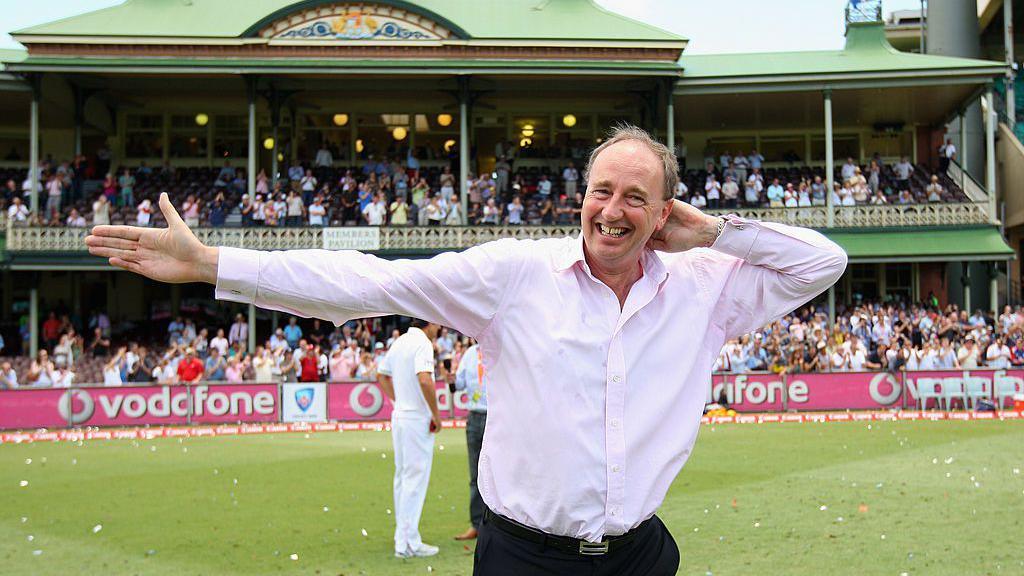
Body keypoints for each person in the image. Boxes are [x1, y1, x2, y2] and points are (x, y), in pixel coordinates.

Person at [85, 124, 847, 574]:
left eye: (635, 199)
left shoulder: (705, 286)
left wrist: (715, 232)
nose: (611, 211)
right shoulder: (516, 274)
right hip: (523, 559)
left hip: (642, 556)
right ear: (581, 196)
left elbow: (824, 262)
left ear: (664, 215)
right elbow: (368, 284)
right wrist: (215, 263)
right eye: (601, 191)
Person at [376, 321, 442, 558]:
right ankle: (407, 542)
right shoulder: (422, 343)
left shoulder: (400, 341)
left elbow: (381, 375)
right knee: (414, 479)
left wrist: (398, 400)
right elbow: (425, 380)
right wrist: (436, 414)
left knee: (403, 477)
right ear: (428, 322)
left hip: (401, 416)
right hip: (416, 418)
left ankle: (403, 538)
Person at [452, 340, 487, 541]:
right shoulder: (469, 354)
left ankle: (500, 526)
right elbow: (458, 385)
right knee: (475, 476)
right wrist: (451, 379)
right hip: (475, 416)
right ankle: (476, 524)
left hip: (497, 417)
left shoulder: (499, 346)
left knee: (501, 475)